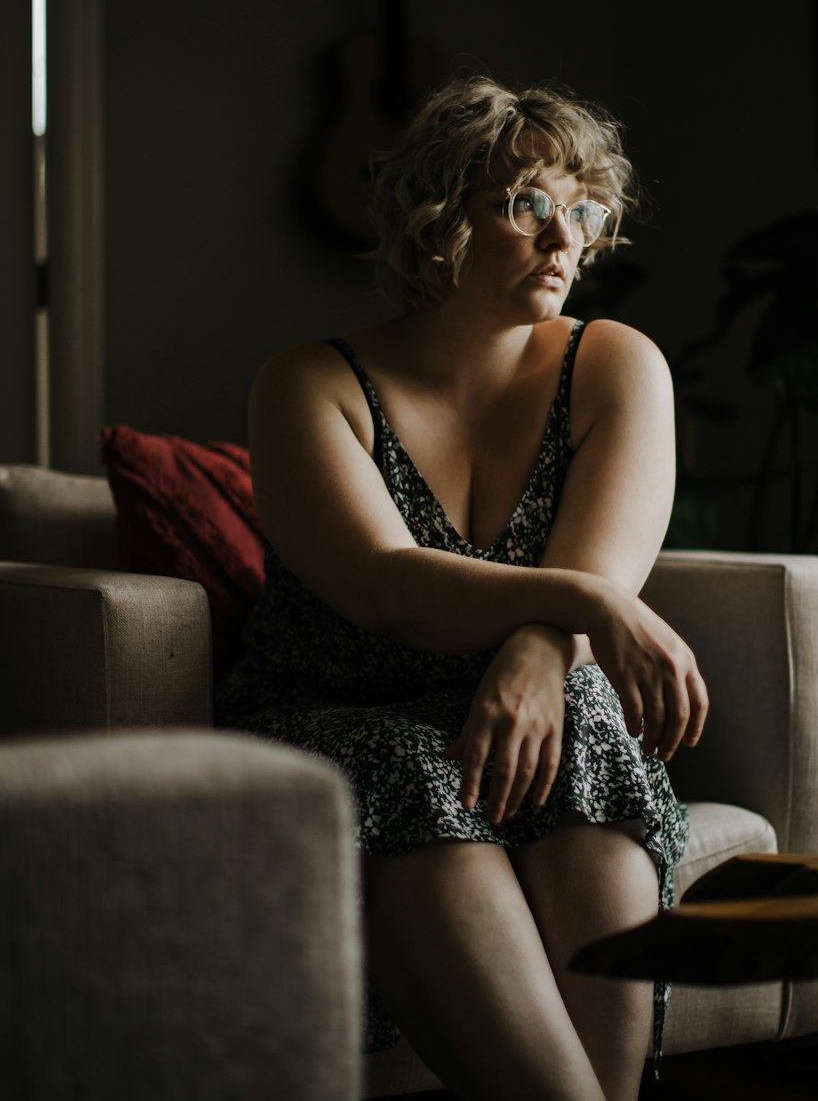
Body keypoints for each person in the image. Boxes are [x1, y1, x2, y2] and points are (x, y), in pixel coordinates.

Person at [219, 75, 709, 1101]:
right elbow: (385, 587)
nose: (563, 238)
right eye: (526, 203)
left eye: (583, 210)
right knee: (406, 762)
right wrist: (581, 609)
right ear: (437, 216)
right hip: (345, 711)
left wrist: (543, 646)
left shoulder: (616, 364)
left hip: (537, 700)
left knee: (579, 717)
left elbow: (599, 566)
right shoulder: (308, 383)